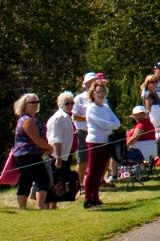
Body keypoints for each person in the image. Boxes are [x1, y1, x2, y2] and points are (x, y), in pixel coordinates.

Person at [81, 75, 120, 209]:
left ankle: (95, 197)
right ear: (93, 93)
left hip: (106, 141)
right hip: (95, 142)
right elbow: (103, 124)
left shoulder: (106, 107)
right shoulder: (91, 108)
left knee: (100, 171)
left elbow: (117, 122)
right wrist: (110, 125)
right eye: (99, 92)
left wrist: (109, 125)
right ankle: (87, 198)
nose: (101, 94)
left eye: (103, 91)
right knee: (92, 170)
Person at [10, 94, 56, 210]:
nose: (35, 104)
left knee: (26, 180)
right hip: (28, 154)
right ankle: (40, 207)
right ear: (24, 105)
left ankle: (23, 208)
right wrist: (50, 148)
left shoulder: (29, 119)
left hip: (24, 154)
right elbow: (37, 140)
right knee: (43, 180)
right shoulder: (27, 120)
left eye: (37, 102)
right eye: (32, 102)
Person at [47, 92, 78, 199]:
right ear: (60, 104)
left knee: (61, 181)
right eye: (67, 103)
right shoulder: (60, 117)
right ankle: (50, 205)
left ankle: (54, 204)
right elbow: (56, 139)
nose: (70, 105)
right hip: (58, 156)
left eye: (72, 103)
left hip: (66, 154)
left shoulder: (67, 116)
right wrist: (58, 158)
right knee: (56, 181)